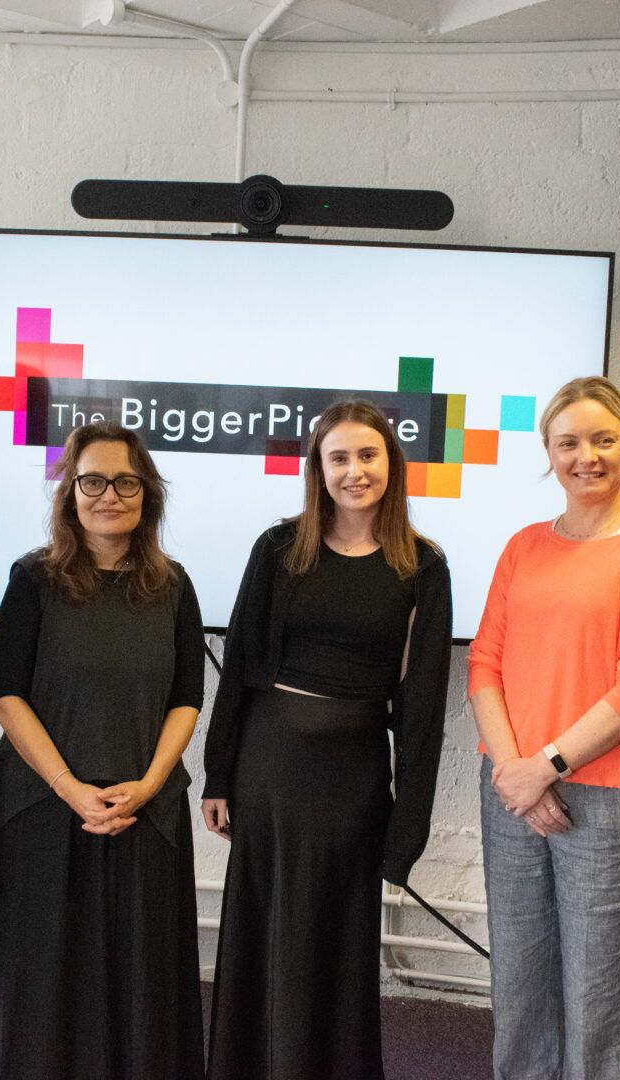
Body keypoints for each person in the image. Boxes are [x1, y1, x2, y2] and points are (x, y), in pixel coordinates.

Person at [202, 399, 453, 1080]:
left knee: (334, 946)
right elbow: (242, 668)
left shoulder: (422, 567)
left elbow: (424, 709)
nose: (354, 471)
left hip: (354, 780)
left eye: (367, 455)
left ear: (391, 465)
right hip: (271, 768)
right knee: (265, 934)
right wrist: (217, 774)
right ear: (318, 467)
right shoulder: (279, 548)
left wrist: (410, 825)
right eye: (338, 457)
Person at [467, 375, 620, 1080]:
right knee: (522, 985)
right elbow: (484, 666)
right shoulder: (524, 546)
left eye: (603, 439)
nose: (585, 456)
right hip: (511, 791)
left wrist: (546, 767)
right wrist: (516, 774)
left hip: (606, 799)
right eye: (568, 442)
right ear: (548, 452)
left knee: (599, 997)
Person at [0, 421, 205, 1080]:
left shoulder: (174, 586)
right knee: (42, 987)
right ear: (71, 491)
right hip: (41, 811)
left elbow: (188, 696)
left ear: (147, 493)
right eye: (92, 481)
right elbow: (6, 694)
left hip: (143, 813)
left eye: (126, 482)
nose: (109, 495)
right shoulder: (33, 579)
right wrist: (71, 787)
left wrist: (153, 781)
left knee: (142, 987)